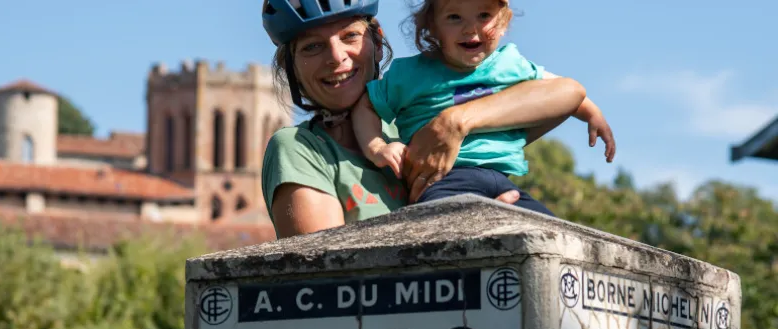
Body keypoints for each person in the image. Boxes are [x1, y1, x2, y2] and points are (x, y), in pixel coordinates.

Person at [261, 0, 588, 239]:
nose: (336, 57)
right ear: (292, 67)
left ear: (376, 41)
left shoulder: (411, 125)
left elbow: (566, 93)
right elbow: (325, 279)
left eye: (349, 36)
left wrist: (456, 122)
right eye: (312, 47)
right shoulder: (298, 149)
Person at [352, 0, 616, 211]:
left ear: (503, 22)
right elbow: (366, 106)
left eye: (484, 15)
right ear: (431, 26)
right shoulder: (409, 73)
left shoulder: (511, 64)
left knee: (552, 235)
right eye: (455, 17)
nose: (471, 28)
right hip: (442, 180)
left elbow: (561, 88)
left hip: (502, 182)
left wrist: (592, 112)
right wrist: (378, 147)